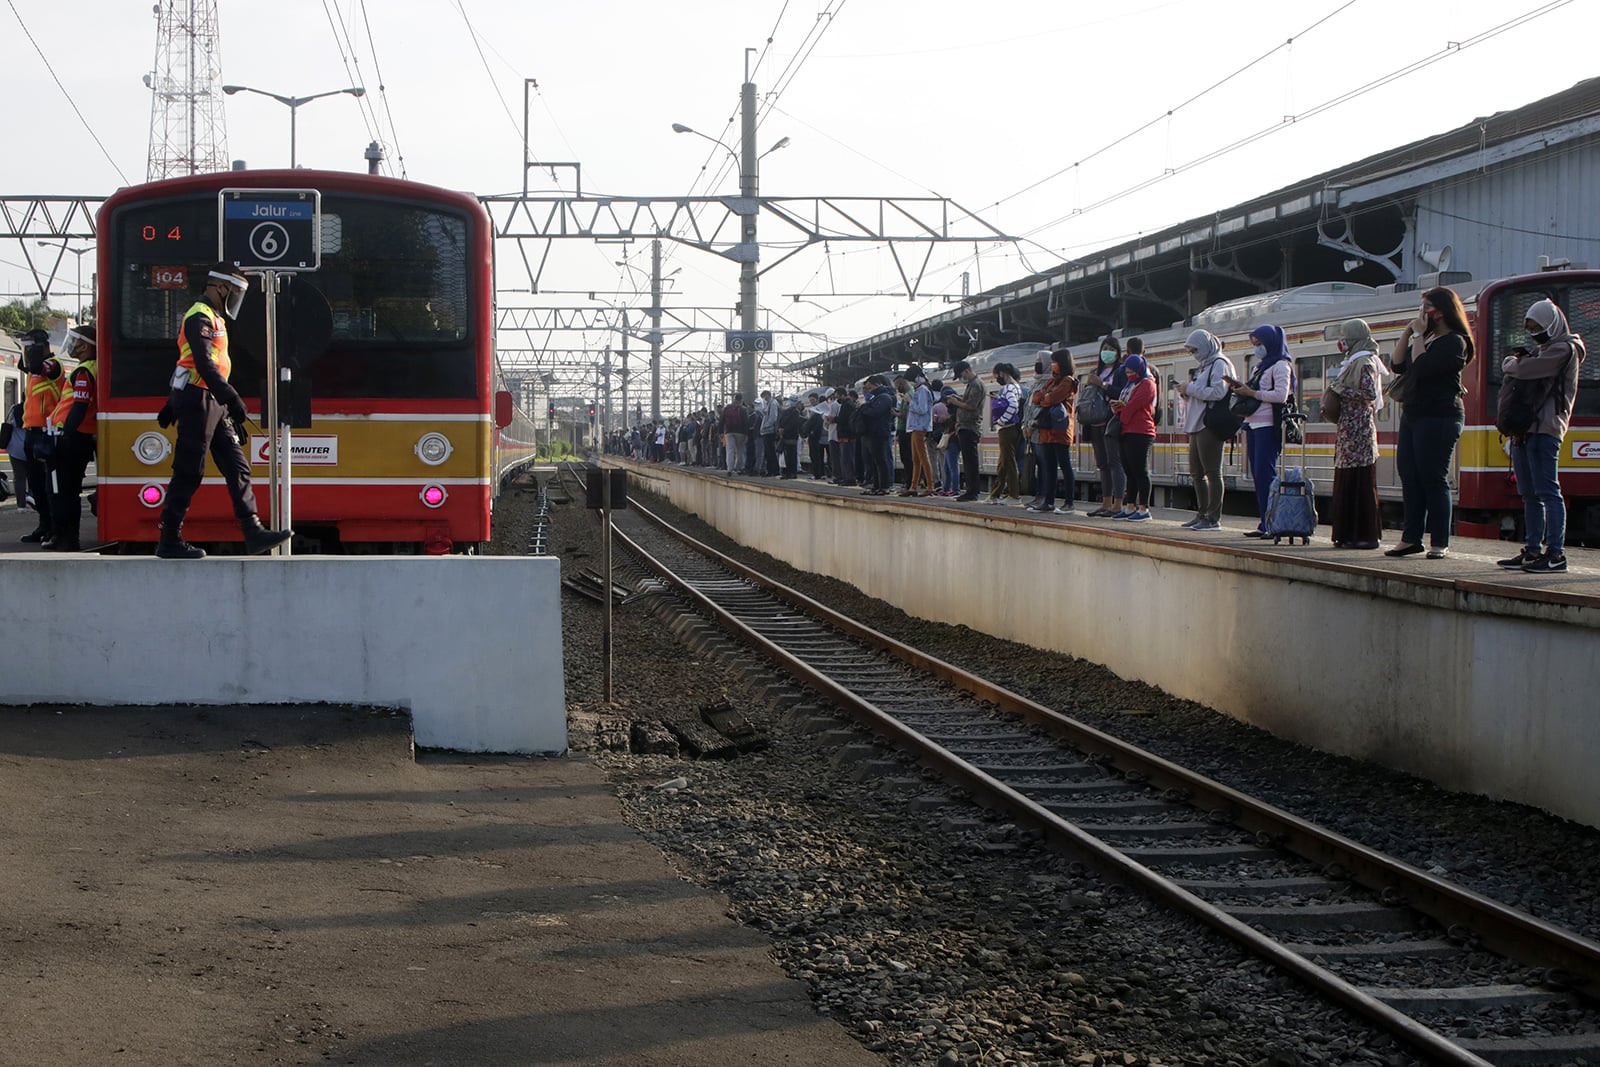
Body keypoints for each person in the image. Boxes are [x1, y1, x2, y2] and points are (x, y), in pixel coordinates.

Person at [154, 263, 292, 560]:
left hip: (210, 400)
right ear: (219, 287)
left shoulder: (215, 318)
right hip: (200, 399)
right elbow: (201, 364)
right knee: (189, 471)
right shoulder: (199, 317)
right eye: (235, 292)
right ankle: (169, 539)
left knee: (236, 464)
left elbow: (186, 365)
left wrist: (177, 401)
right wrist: (230, 397)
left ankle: (253, 531)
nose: (236, 299)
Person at [1498, 298, 1585, 574]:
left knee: (1548, 491)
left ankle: (1556, 554)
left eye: (1539, 327)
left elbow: (1524, 370)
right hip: (1526, 430)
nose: (1536, 333)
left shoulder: (1563, 349)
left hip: (1546, 429)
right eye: (1531, 328)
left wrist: (1509, 362)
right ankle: (1533, 549)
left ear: (1553, 324)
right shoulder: (1544, 349)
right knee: (1529, 493)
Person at [1386, 286, 1473, 559]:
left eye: (1427, 307)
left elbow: (1422, 366)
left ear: (1442, 311)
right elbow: (1398, 365)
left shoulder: (1454, 342)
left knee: (1433, 477)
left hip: (1440, 416)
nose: (1422, 313)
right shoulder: (1429, 339)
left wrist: (1421, 335)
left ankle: (1439, 541)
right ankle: (1411, 538)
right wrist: (1407, 332)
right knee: (1410, 475)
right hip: (1414, 414)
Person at [1227, 324, 1294, 538]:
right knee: (1258, 475)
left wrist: (1252, 393)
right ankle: (1264, 522)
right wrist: (1240, 388)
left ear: (1271, 343)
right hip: (1252, 424)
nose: (1256, 348)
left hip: (1268, 424)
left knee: (1267, 475)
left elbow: (1281, 396)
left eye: (1259, 344)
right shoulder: (1260, 366)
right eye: (1254, 344)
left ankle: (1273, 523)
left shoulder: (1281, 366)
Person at [1325, 318, 1387, 549]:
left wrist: (1342, 389)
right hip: (1349, 431)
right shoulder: (1353, 361)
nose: (1343, 341)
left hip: (1358, 431)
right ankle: (1346, 534)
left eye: (1346, 336)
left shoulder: (1365, 361)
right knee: (1347, 482)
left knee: (1359, 483)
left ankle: (1364, 535)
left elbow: (1369, 393)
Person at [43, 326, 99, 551]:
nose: (71, 345)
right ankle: (62, 536)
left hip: (73, 438)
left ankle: (67, 538)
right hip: (76, 436)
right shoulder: (90, 368)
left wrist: (65, 434)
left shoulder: (84, 371)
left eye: (75, 341)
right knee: (62, 490)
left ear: (85, 345)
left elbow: (79, 406)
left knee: (64, 491)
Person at [1175, 328, 1234, 531]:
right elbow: (1202, 393)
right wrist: (1186, 392)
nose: (1194, 354)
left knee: (1212, 472)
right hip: (1197, 423)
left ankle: (1213, 517)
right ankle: (1201, 513)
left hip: (1210, 424)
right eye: (1191, 351)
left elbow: (1218, 392)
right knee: (1196, 472)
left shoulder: (1220, 364)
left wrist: (1189, 389)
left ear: (1206, 346)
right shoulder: (1204, 366)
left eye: (1195, 350)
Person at [18, 328, 62, 544]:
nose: (27, 353)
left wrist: (38, 352)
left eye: (30, 348)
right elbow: (28, 367)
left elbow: (49, 369)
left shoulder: (54, 365)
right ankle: (43, 525)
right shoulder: (31, 373)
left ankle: (54, 528)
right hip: (31, 432)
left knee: (49, 486)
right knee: (36, 485)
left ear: (42, 347)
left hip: (47, 433)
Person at [1027, 348, 1078, 514]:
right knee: (1049, 468)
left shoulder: (1067, 381)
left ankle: (1069, 503)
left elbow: (1051, 399)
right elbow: (1036, 398)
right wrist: (1044, 397)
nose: (1053, 365)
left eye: (1056, 362)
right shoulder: (1052, 380)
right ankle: (1048, 502)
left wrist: (1044, 397)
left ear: (1062, 363)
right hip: (1046, 430)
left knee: (1064, 465)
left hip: (1060, 430)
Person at [1109, 353, 1156, 522]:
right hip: (1126, 430)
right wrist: (1117, 407)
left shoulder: (1148, 384)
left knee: (1140, 470)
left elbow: (1134, 406)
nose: (1129, 375)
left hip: (1141, 431)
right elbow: (1125, 405)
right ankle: (1129, 507)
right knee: (1129, 470)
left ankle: (1144, 509)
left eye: (1131, 372)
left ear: (1140, 369)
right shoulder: (1130, 384)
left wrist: (1122, 411)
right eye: (1127, 372)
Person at [1085, 337, 1126, 517]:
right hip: (1095, 422)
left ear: (1117, 352)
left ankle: (1118, 504)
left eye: (1111, 349)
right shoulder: (1096, 371)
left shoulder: (1121, 371)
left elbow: (1122, 393)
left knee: (1114, 462)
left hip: (1111, 422)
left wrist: (1101, 384)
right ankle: (1106, 503)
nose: (1106, 352)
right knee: (1102, 464)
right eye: (1104, 348)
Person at [946, 361, 985, 501]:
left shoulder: (976, 384)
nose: (961, 378)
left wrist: (956, 403)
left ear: (967, 371)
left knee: (970, 462)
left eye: (961, 375)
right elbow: (967, 401)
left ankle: (972, 492)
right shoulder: (972, 384)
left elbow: (971, 405)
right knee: (968, 461)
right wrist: (958, 398)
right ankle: (971, 490)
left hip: (970, 427)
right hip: (965, 427)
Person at [987, 362, 1024, 504]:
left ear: (1002, 373)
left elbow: (1013, 405)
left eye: (996, 375)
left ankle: (1014, 495)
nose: (996, 378)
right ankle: (995, 494)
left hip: (1007, 428)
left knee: (1009, 461)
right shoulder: (1016, 387)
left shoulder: (1009, 387)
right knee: (1003, 463)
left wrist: (1002, 420)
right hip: (1013, 427)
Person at [857, 376, 896, 495]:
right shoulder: (877, 397)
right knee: (875, 461)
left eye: (868, 384)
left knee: (881, 460)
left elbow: (874, 412)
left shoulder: (884, 397)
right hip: (873, 433)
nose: (866, 388)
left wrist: (863, 407)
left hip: (879, 433)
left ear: (875, 384)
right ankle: (877, 485)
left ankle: (884, 486)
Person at [903, 371, 935, 496]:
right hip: (915, 427)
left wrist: (910, 401)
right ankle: (913, 486)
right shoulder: (921, 389)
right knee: (916, 459)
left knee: (922, 457)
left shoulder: (922, 390)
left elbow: (922, 409)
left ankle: (930, 486)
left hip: (920, 427)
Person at [936, 385, 960, 495]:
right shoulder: (954, 410)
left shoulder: (957, 412)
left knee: (952, 466)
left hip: (953, 440)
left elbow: (955, 425)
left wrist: (944, 421)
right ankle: (946, 488)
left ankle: (955, 489)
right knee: (947, 467)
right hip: (950, 441)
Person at [722, 392, 748, 474]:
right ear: (741, 400)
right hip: (740, 432)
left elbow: (721, 420)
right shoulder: (743, 409)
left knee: (730, 450)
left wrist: (720, 432)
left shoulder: (727, 408)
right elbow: (746, 422)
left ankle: (729, 469)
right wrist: (746, 434)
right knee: (740, 450)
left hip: (729, 432)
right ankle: (739, 468)